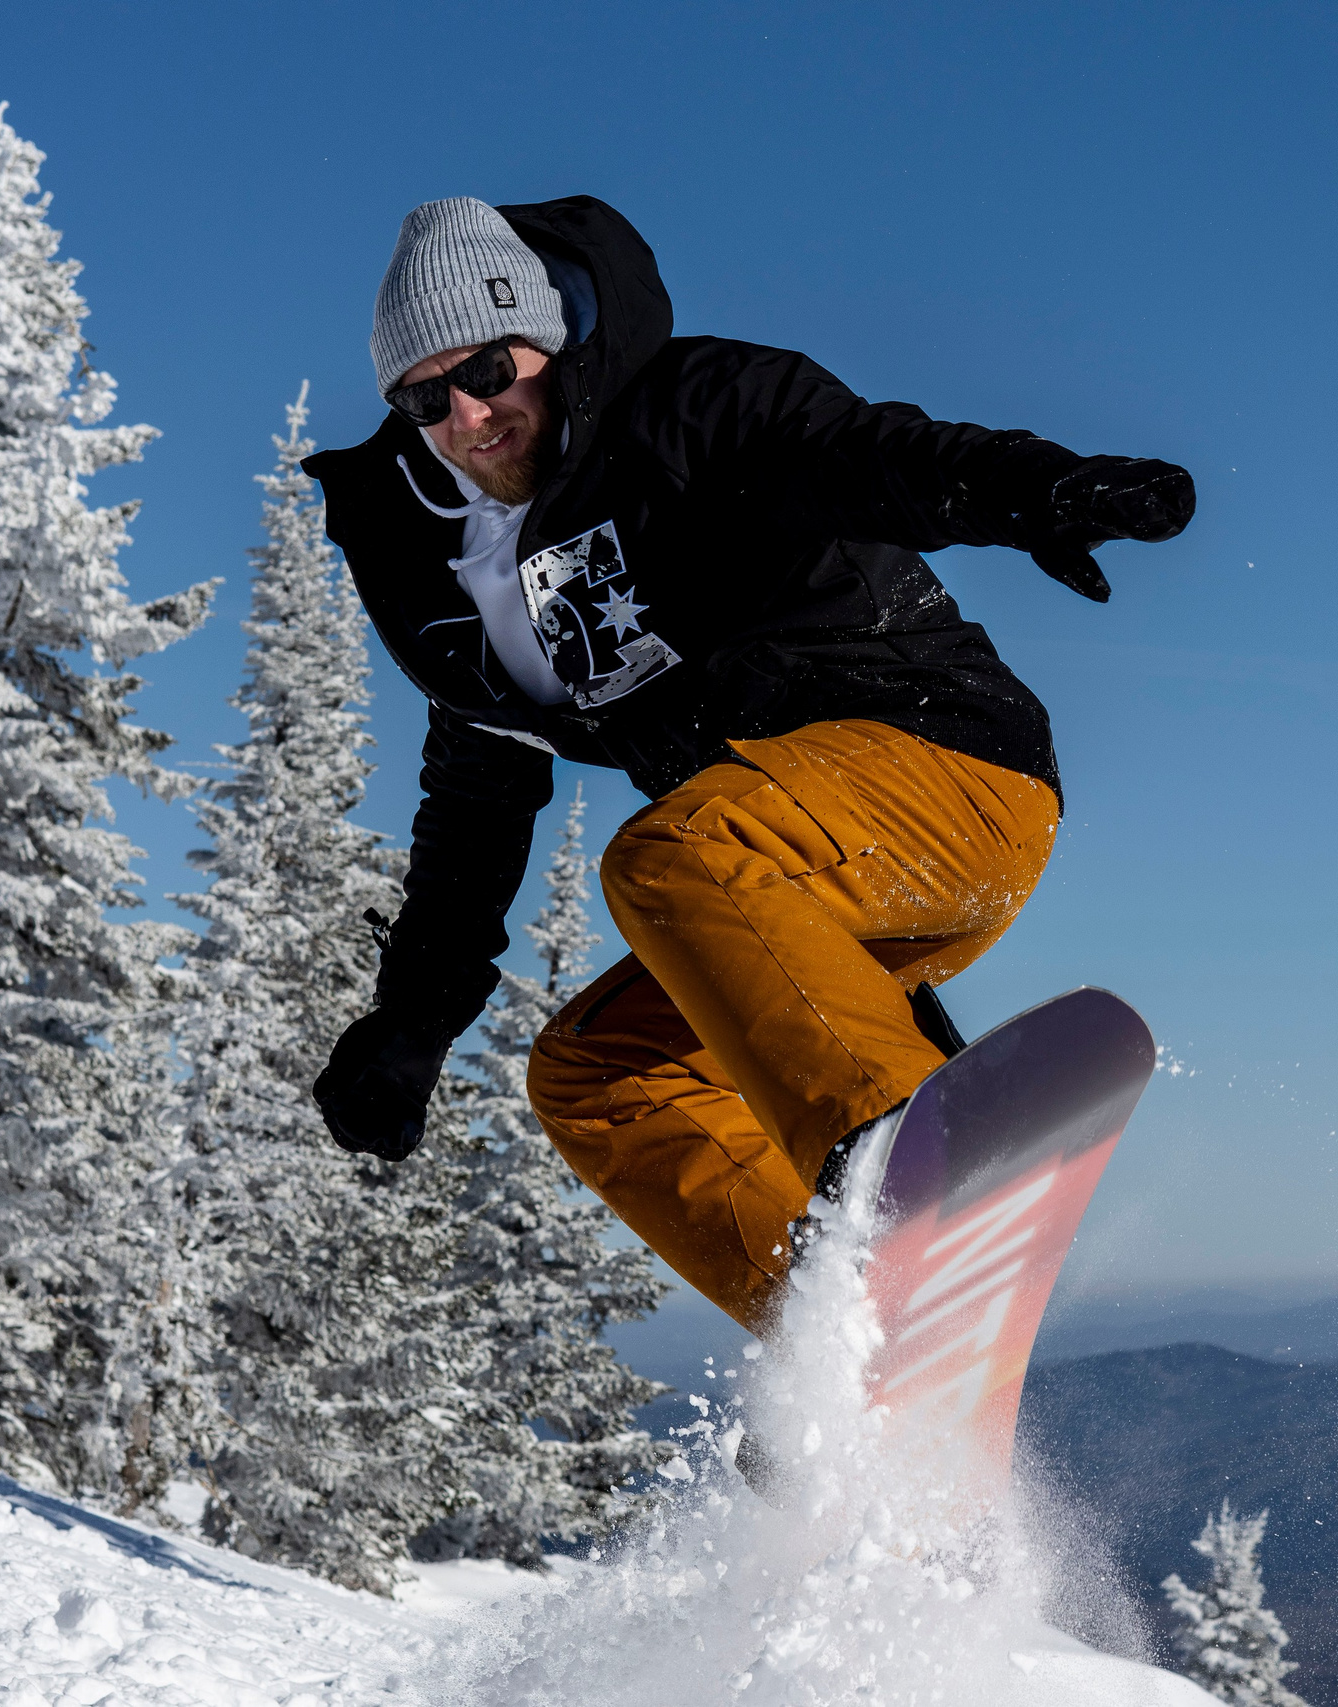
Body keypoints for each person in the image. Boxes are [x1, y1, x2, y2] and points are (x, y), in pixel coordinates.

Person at [305, 196, 1191, 1332]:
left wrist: (1030, 490)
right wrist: (413, 1024)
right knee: (594, 1077)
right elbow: (477, 794)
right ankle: (841, 1343)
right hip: (795, 883)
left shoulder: (691, 407)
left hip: (951, 776)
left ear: (550, 340)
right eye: (427, 397)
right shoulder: (439, 571)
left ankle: (902, 1180)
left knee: (673, 856)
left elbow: (861, 455)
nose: (470, 414)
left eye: (488, 367)